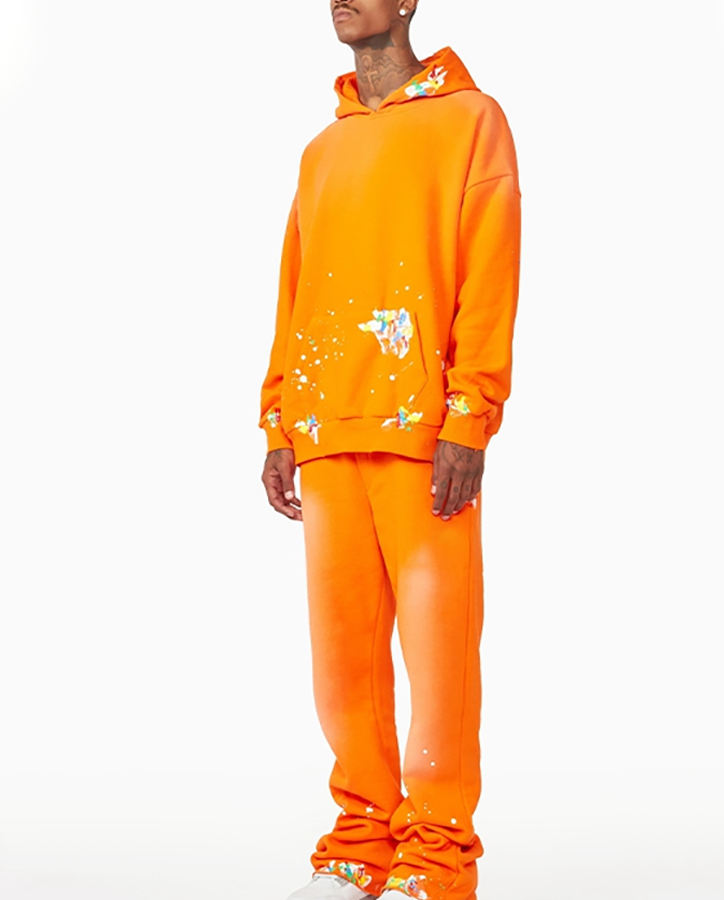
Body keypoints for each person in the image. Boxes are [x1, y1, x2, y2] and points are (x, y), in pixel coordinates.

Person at [258, 2, 521, 898]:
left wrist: (469, 415)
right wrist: (279, 420)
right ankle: (361, 844)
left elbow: (490, 269)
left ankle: (438, 860)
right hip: (326, 427)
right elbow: (295, 288)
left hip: (423, 432)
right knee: (344, 664)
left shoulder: (471, 120)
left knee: (439, 657)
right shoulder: (322, 149)